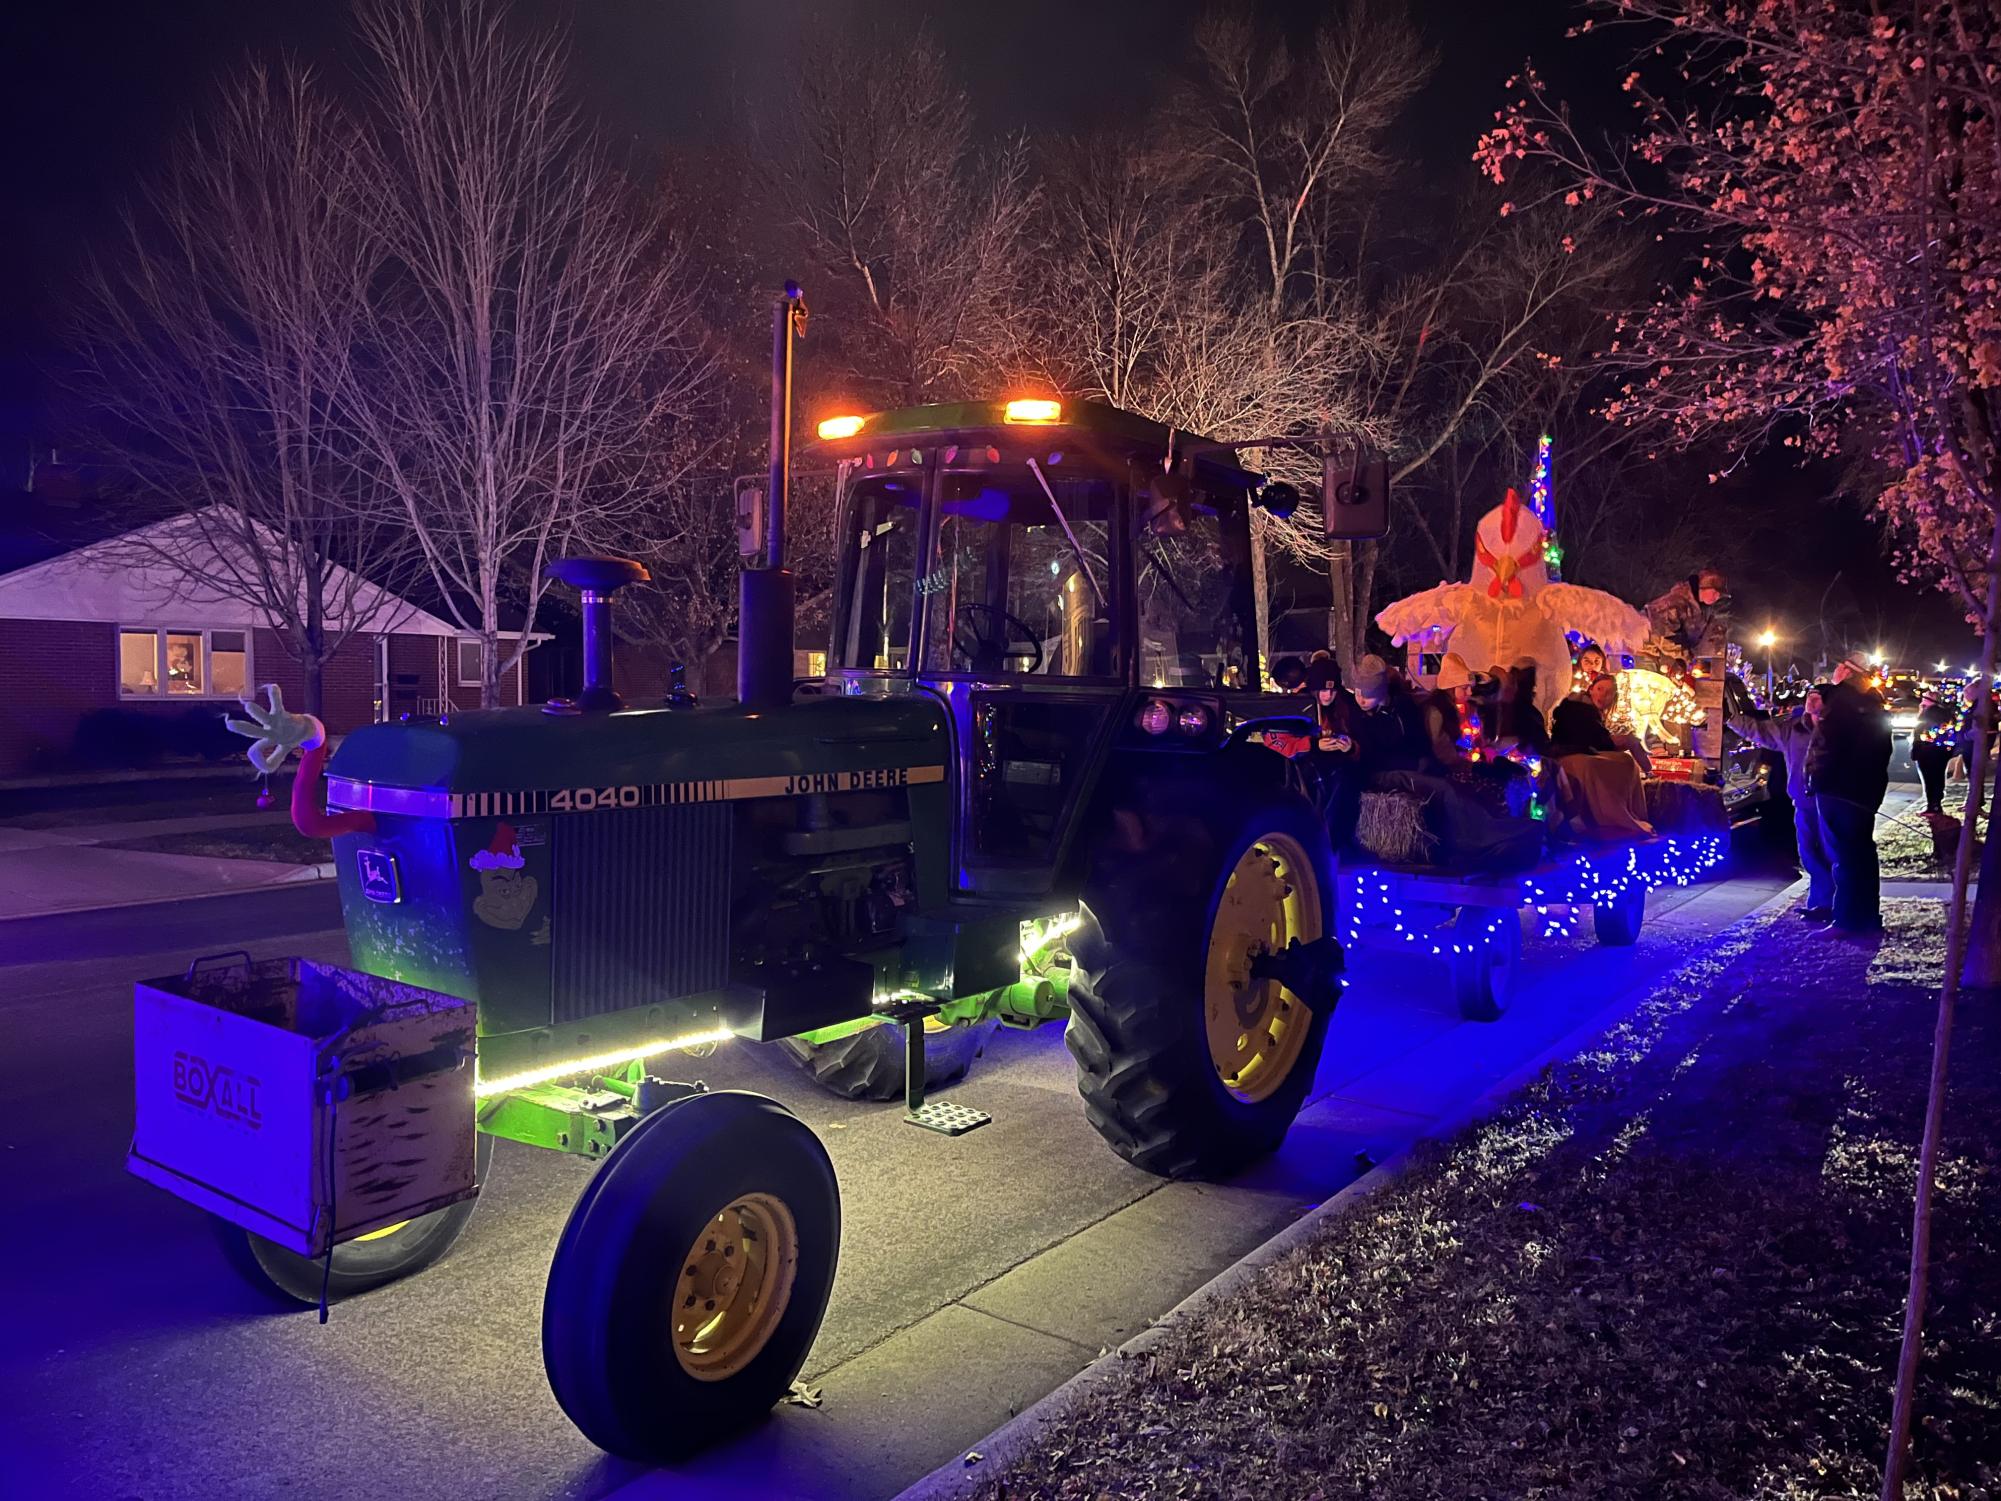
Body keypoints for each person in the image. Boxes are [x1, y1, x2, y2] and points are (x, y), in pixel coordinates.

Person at [1731, 682, 1833, 921]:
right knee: (1808, 852)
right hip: (1802, 800)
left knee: (1832, 853)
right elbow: (1761, 731)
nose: (1812, 701)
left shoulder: (1837, 731)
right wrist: (1731, 719)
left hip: (1831, 801)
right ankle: (1821, 902)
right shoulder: (1793, 729)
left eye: (1818, 697)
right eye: (1810, 696)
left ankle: (1836, 903)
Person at [1806, 656, 1892, 934]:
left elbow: (1826, 746)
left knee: (1846, 856)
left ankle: (1846, 919)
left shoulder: (1841, 701)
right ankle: (1866, 916)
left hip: (1839, 791)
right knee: (1862, 854)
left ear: (1847, 672)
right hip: (1863, 791)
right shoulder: (1874, 703)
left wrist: (1817, 779)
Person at [1546, 691, 1654, 839]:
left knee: (1624, 760)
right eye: (1600, 689)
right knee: (1622, 761)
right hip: (1577, 755)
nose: (1603, 695)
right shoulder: (1584, 713)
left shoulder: (1580, 714)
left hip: (1578, 753)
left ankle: (1621, 815)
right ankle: (1616, 816)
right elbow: (1600, 740)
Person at [1646, 568, 1731, 659]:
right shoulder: (1675, 603)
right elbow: (1661, 635)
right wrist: (1684, 658)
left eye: (1720, 595)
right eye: (1715, 592)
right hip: (1649, 654)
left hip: (1669, 657)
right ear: (1703, 587)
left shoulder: (1701, 610)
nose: (1717, 597)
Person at [1586, 672, 1653, 774]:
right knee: (1630, 740)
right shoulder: (1584, 708)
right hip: (1584, 749)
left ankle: (1649, 772)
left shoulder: (1596, 711)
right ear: (1591, 690)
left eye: (1609, 692)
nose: (1603, 695)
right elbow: (1590, 738)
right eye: (1599, 689)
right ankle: (1649, 772)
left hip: (1592, 746)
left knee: (1630, 739)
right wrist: (1612, 740)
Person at [1911, 687, 1960, 815]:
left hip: (1927, 751)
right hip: (1941, 751)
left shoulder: (1928, 714)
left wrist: (1918, 747)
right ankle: (1936, 803)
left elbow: (1923, 732)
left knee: (1929, 778)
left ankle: (1932, 805)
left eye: (1925, 698)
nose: (1921, 701)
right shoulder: (1945, 713)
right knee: (1938, 776)